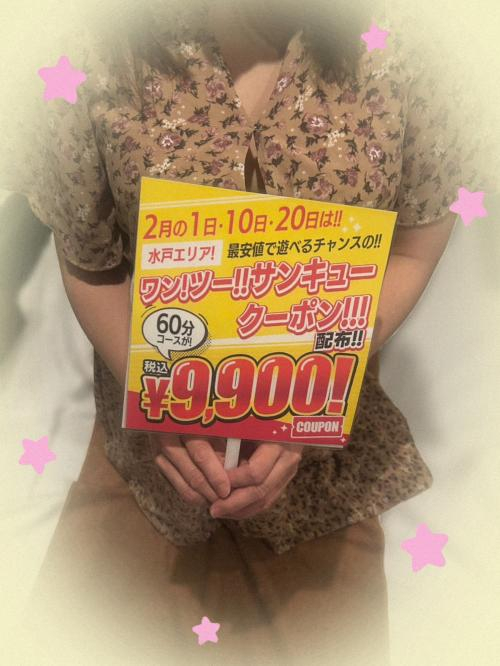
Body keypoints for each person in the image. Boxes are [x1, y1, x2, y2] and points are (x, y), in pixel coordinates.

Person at [2, 0, 495, 663]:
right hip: (146, 464)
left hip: (327, 476)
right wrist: (161, 399)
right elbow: (88, 253)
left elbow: (415, 239)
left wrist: (303, 395)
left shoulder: (411, 44)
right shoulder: (95, 44)